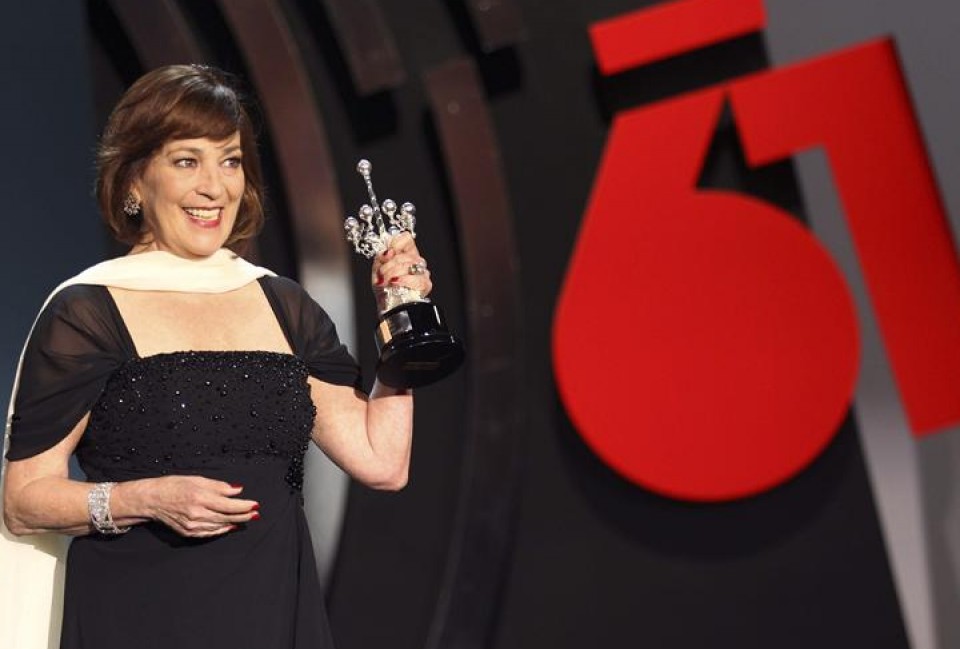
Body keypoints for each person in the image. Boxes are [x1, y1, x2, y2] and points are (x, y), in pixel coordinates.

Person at [0, 64, 431, 649]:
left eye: (230, 161)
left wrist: (398, 314)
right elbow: (24, 501)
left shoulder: (282, 304)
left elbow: (383, 462)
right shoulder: (88, 310)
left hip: (273, 618)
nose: (215, 186)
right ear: (133, 182)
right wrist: (141, 499)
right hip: (137, 621)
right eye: (186, 161)